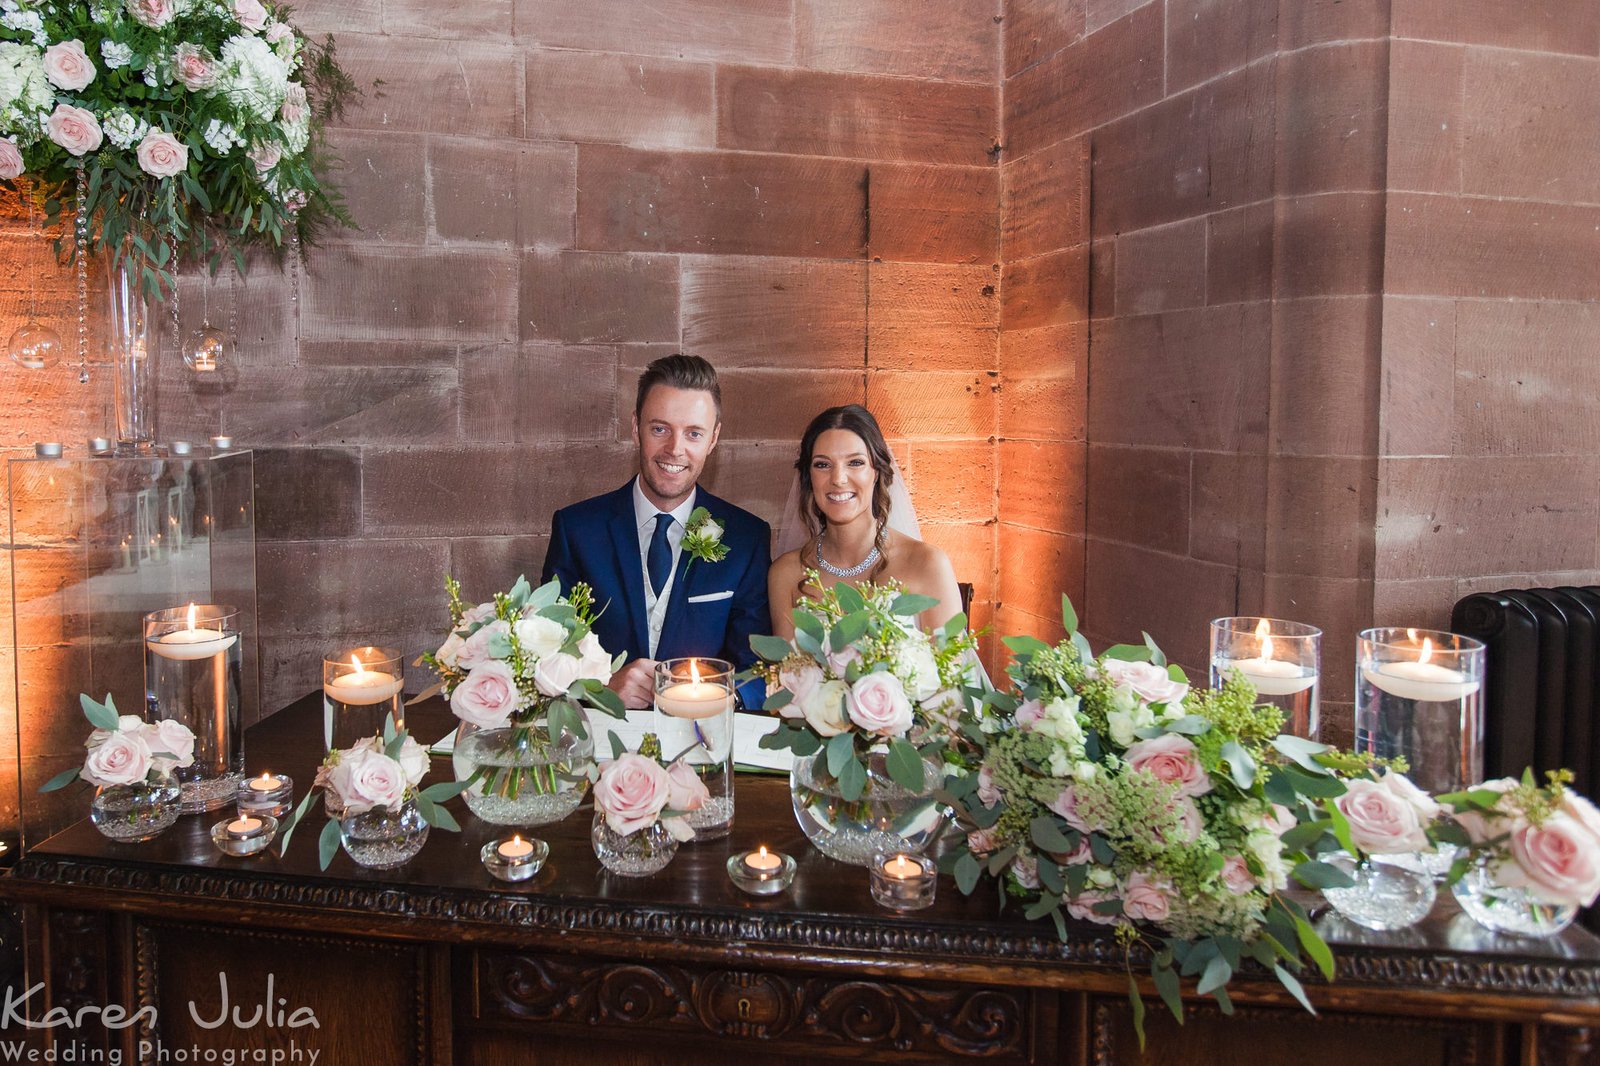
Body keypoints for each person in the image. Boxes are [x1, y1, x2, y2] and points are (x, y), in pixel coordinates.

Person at [542, 355, 771, 708]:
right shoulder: (577, 530)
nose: (675, 449)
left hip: (700, 742)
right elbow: (547, 651)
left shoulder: (747, 539)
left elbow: (758, 666)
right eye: (660, 429)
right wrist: (599, 685)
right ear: (636, 428)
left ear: (714, 439)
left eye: (693, 433)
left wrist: (720, 697)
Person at [769, 404, 963, 638]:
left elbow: (954, 670)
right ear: (809, 477)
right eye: (822, 464)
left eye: (855, 462)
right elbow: (786, 672)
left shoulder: (927, 564)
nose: (838, 479)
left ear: (877, 471)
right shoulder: (786, 573)